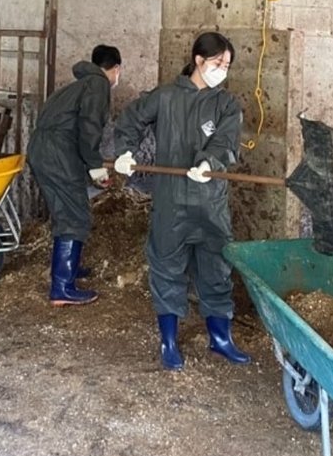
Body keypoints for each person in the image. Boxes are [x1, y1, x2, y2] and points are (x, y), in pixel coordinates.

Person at [113, 32, 251, 370]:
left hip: (210, 200)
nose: (223, 70)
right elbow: (130, 119)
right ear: (199, 60)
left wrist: (210, 162)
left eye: (227, 65)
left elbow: (227, 142)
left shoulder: (226, 104)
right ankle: (169, 341)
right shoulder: (166, 97)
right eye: (218, 63)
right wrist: (124, 152)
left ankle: (221, 339)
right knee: (166, 266)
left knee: (216, 266)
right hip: (171, 199)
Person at [27, 44, 122, 306]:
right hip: (57, 153)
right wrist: (95, 165)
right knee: (75, 213)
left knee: (67, 208)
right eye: (117, 72)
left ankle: (68, 267)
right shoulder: (98, 85)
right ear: (115, 69)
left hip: (45, 150)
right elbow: (89, 127)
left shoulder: (74, 87)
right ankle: (62, 287)